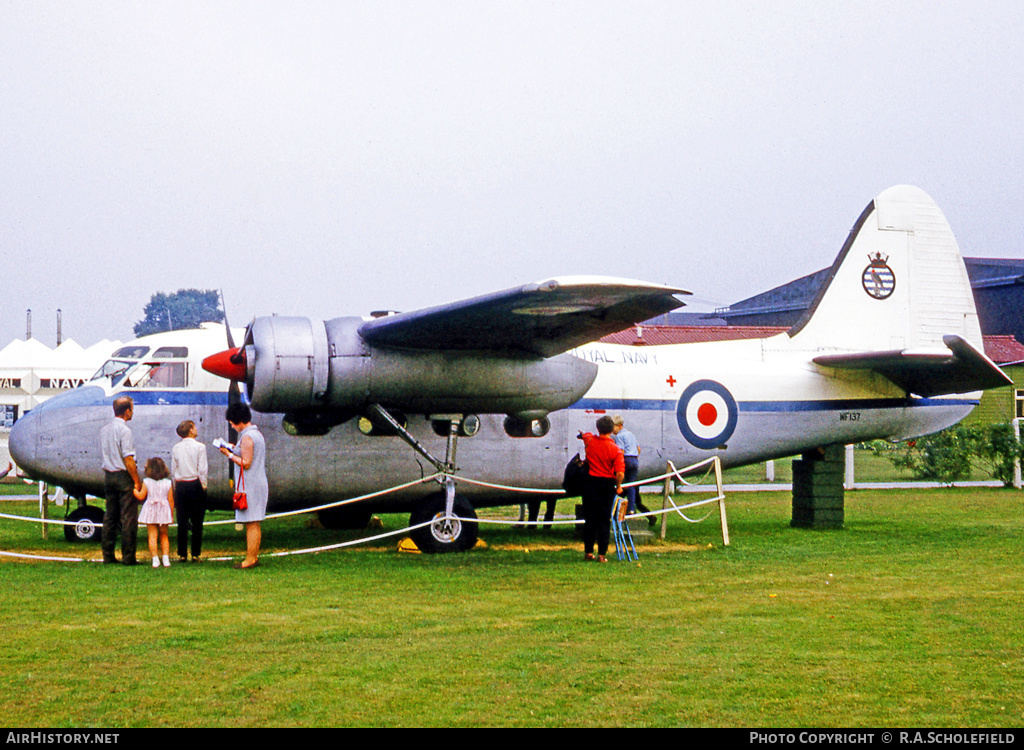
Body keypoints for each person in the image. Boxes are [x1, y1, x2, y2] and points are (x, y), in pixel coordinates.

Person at [218, 403, 267, 569]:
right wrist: (231, 447)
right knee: (254, 522)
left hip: (250, 484)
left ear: (239, 421)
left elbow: (245, 462)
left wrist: (229, 454)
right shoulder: (255, 434)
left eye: (232, 422)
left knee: (251, 523)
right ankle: (252, 556)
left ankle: (250, 558)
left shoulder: (247, 437)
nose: (232, 425)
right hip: (257, 481)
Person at [100, 396, 143, 565]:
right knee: (128, 518)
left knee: (110, 517)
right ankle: (128, 556)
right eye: (132, 409)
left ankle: (108, 555)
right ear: (127, 412)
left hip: (109, 475)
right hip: (123, 476)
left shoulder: (104, 430)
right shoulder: (125, 431)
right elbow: (128, 459)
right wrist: (136, 481)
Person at [577, 415, 625, 562]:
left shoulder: (590, 441)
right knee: (604, 520)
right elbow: (620, 473)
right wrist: (618, 486)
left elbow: (585, 435)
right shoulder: (616, 450)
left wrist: (582, 434)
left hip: (590, 483)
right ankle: (602, 554)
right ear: (611, 430)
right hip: (606, 486)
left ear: (598, 428)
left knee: (589, 519)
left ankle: (588, 552)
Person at [171, 420, 209, 562]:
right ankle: (195, 553)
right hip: (195, 483)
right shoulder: (200, 447)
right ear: (191, 430)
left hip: (181, 485)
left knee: (182, 520)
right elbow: (202, 468)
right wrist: (203, 485)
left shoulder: (176, 448)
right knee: (197, 521)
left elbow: (174, 469)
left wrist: (175, 487)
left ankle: (182, 554)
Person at [612, 415, 654, 525]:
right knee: (631, 486)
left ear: (619, 426)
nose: (612, 430)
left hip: (625, 460)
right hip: (634, 459)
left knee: (618, 482)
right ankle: (631, 509)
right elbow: (638, 448)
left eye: (614, 427)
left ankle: (614, 508)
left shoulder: (619, 437)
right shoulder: (631, 434)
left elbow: (620, 451)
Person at [135, 457, 175, 568]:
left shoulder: (147, 482)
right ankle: (166, 559)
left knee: (152, 535)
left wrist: (134, 491)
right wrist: (170, 514)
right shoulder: (168, 483)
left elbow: (141, 496)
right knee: (164, 535)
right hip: (163, 509)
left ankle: (155, 559)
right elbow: (171, 500)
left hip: (151, 509)